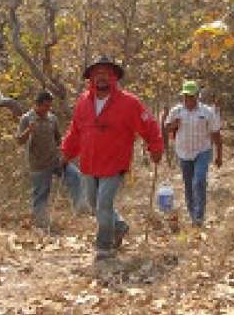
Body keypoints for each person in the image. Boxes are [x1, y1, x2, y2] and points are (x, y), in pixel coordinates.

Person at [61, 55, 164, 260]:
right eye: (97, 73)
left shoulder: (129, 102)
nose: (101, 78)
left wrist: (155, 146)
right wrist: (66, 152)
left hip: (114, 162)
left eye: (106, 73)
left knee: (103, 205)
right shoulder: (83, 101)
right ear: (90, 78)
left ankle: (104, 247)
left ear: (114, 77)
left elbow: (149, 125)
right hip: (89, 163)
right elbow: (75, 130)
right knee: (93, 204)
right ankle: (119, 226)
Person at [17, 91, 82, 230]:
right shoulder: (26, 119)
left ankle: (81, 209)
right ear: (37, 105)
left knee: (76, 176)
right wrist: (29, 130)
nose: (48, 109)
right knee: (41, 194)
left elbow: (58, 139)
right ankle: (41, 225)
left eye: (49, 106)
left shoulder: (52, 118)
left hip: (56, 160)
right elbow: (19, 141)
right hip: (39, 165)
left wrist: (64, 153)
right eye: (45, 106)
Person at [164, 80, 222, 227]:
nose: (188, 99)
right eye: (185, 96)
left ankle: (199, 216)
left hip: (202, 151)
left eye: (191, 96)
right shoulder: (176, 111)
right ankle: (192, 213)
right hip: (183, 152)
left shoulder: (207, 112)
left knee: (199, 181)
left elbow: (216, 133)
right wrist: (173, 125)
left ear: (197, 96)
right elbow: (166, 129)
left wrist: (219, 155)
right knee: (189, 184)